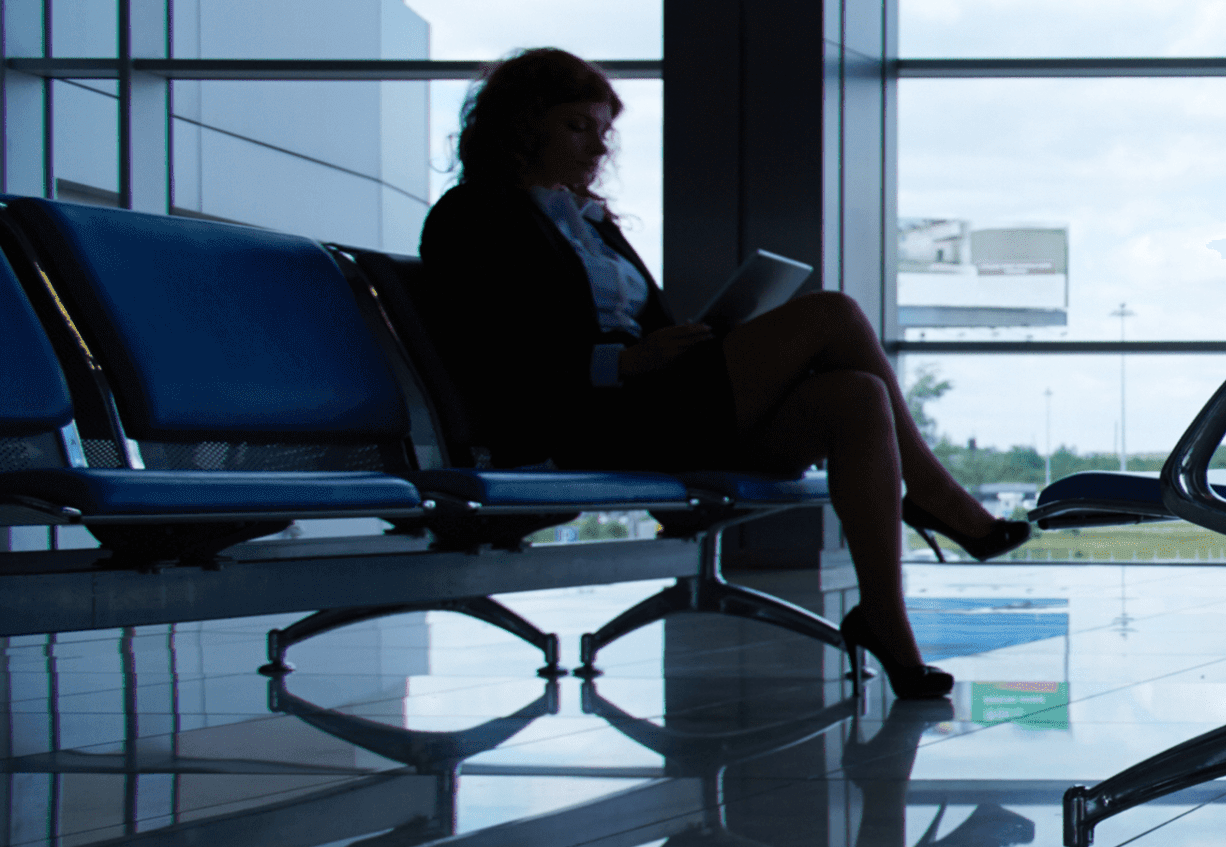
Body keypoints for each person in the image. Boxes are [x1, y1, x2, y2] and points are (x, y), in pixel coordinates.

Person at [419, 48, 1024, 697]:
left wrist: (676, 344)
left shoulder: (592, 225)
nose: (598, 147)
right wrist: (621, 360)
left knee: (856, 396)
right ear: (521, 124)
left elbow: (640, 328)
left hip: (653, 408)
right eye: (578, 127)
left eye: (603, 131)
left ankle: (887, 622)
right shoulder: (470, 217)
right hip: (580, 419)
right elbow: (486, 355)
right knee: (833, 315)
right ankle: (941, 503)